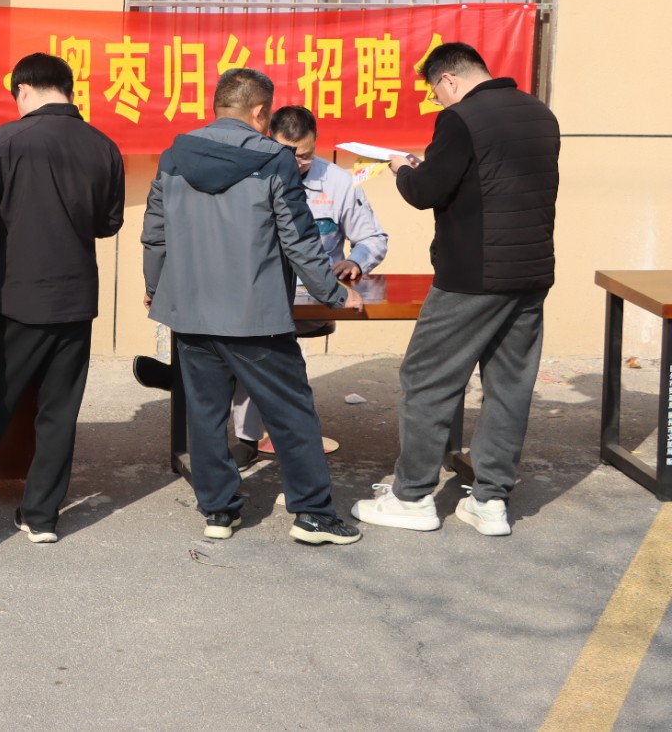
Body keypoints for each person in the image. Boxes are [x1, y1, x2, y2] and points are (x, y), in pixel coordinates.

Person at [142, 67, 364, 546]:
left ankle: (218, 512)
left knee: (205, 415)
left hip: (191, 313)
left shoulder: (174, 156)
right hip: (255, 317)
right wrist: (334, 292)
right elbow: (299, 239)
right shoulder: (274, 160)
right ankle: (313, 515)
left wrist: (155, 286)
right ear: (261, 111)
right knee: (291, 414)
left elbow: (155, 232)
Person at [353, 42, 559, 537]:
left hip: (473, 275)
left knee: (426, 379)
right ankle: (490, 501)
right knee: (509, 387)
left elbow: (427, 192)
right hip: (530, 273)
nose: (438, 102)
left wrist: (403, 168)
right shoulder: (540, 114)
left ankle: (412, 497)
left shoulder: (461, 119)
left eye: (435, 93)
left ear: (449, 80)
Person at [0, 53, 124, 544]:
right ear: (68, 87)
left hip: (15, 297)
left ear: (22, 90)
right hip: (75, 298)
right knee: (59, 413)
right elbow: (108, 224)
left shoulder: (6, 139)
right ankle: (41, 516)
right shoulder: (103, 146)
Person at [232, 105, 390, 456]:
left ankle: (268, 435)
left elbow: (373, 238)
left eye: (306, 155)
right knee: (246, 339)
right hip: (259, 293)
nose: (298, 163)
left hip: (314, 298)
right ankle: (257, 435)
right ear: (269, 140)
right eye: (288, 153)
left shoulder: (337, 181)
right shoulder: (248, 175)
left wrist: (355, 261)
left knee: (257, 344)